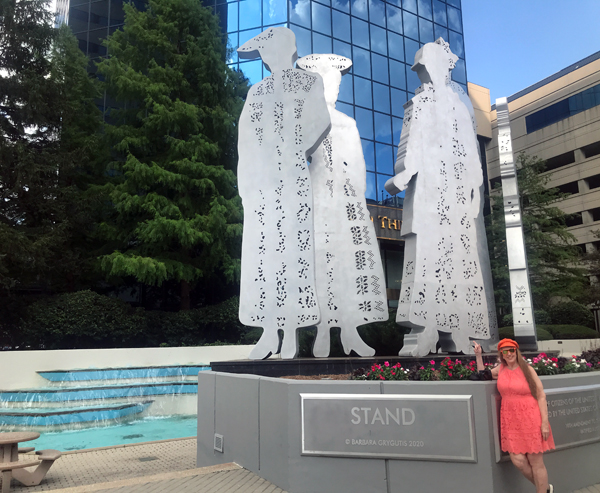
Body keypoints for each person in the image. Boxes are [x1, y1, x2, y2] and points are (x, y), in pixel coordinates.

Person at [474, 339, 555, 493]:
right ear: (501, 354)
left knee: (535, 462)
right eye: (505, 351)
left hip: (531, 417)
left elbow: (541, 395)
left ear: (516, 351)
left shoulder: (527, 370)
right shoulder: (501, 369)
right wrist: (479, 356)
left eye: (511, 350)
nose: (509, 354)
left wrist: (544, 422)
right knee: (518, 461)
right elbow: (482, 375)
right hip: (510, 420)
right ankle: (545, 489)